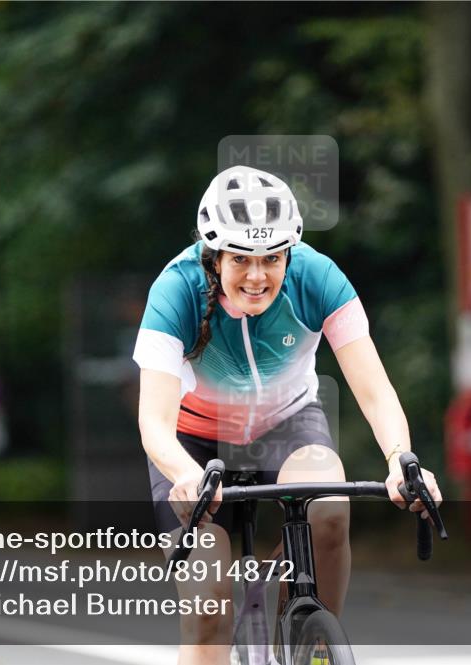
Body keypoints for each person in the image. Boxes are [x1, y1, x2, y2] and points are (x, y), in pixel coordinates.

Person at [134, 165, 442, 665]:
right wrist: (185, 475)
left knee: (329, 511)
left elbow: (374, 389)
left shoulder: (318, 277)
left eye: (272, 258)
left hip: (288, 423)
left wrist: (399, 460)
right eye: (240, 258)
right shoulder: (175, 290)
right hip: (194, 443)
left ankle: (310, 644)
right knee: (208, 604)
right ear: (214, 256)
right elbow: (154, 421)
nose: (257, 276)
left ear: (289, 254)